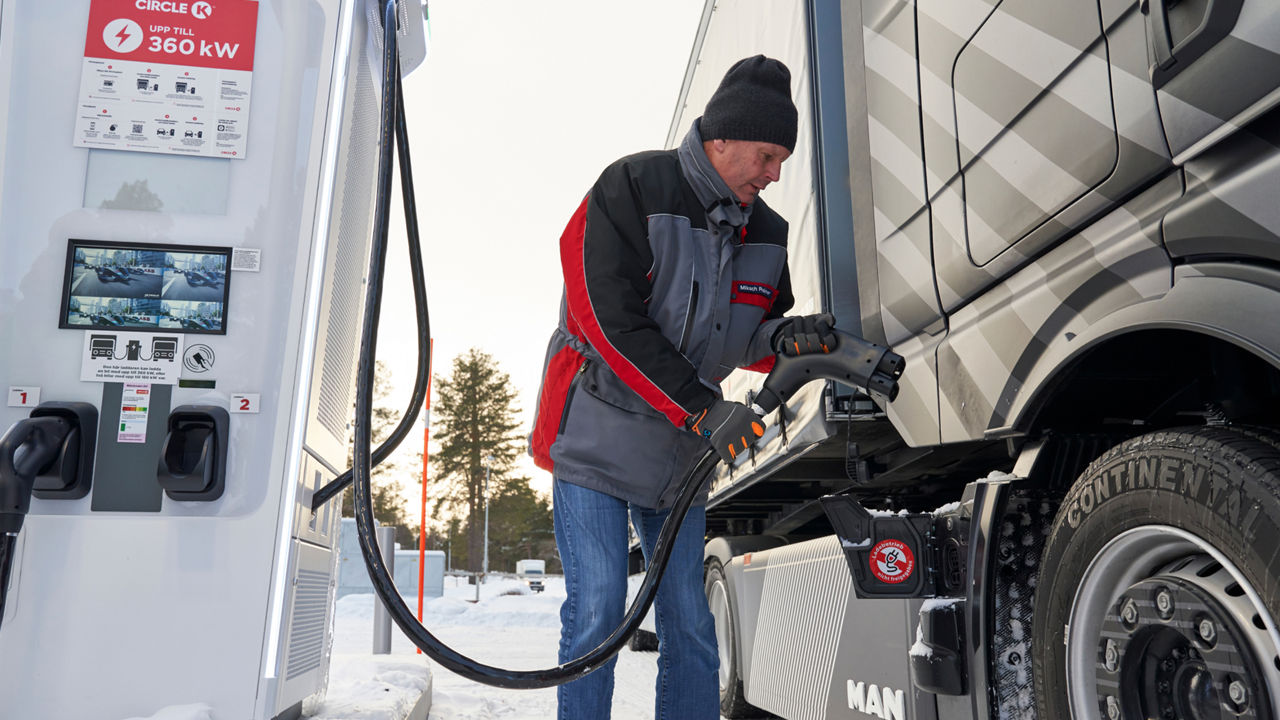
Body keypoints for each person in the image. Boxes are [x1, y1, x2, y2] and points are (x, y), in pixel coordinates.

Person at [529, 55, 835, 719]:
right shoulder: (631, 188)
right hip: (597, 441)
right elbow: (608, 323)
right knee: (599, 612)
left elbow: (742, 337)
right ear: (720, 140)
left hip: (680, 458)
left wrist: (787, 339)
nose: (774, 173)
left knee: (690, 624)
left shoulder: (768, 233)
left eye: (782, 159)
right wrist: (702, 409)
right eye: (765, 154)